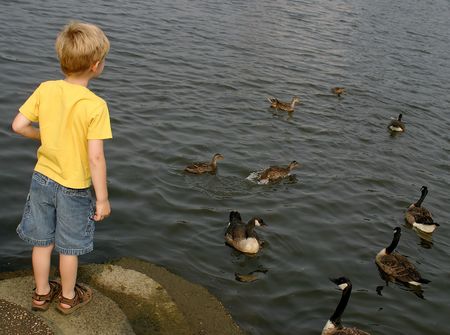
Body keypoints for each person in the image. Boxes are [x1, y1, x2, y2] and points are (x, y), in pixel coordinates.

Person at [11, 21, 112, 314]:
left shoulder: (45, 89)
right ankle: (68, 297)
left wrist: (43, 134)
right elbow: (96, 158)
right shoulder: (95, 105)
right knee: (69, 247)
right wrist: (103, 199)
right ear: (96, 66)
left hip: (41, 179)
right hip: (74, 187)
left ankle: (41, 294)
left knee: (41, 242)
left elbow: (18, 125)